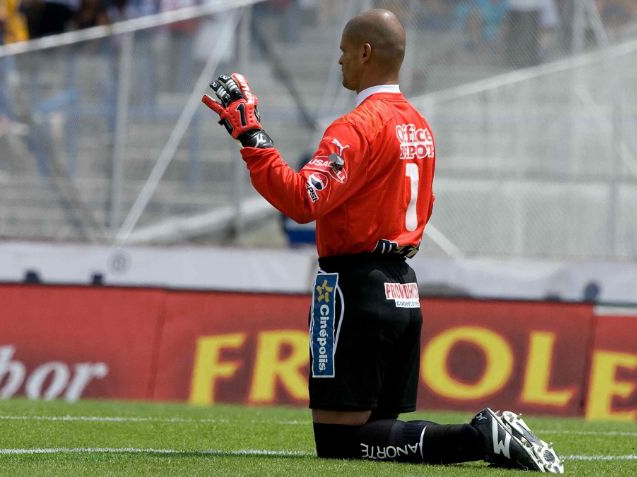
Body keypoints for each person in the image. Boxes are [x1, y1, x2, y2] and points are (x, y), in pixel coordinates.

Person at [202, 8, 563, 473]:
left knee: (339, 440)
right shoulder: (419, 125)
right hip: (403, 286)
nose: (340, 63)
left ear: (365, 53)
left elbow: (301, 200)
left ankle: (482, 436)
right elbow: (425, 206)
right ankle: (488, 438)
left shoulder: (356, 127)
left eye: (344, 52)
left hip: (354, 287)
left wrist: (251, 135)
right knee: (378, 442)